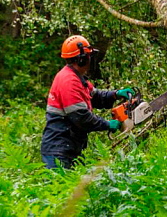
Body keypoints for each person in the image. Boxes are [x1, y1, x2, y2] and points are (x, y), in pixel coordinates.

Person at [40, 34, 134, 169]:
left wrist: (115, 94)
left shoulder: (77, 79)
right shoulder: (69, 81)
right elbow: (81, 117)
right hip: (59, 149)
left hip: (68, 147)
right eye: (88, 56)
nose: (90, 59)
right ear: (82, 59)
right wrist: (107, 124)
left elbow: (95, 96)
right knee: (61, 189)